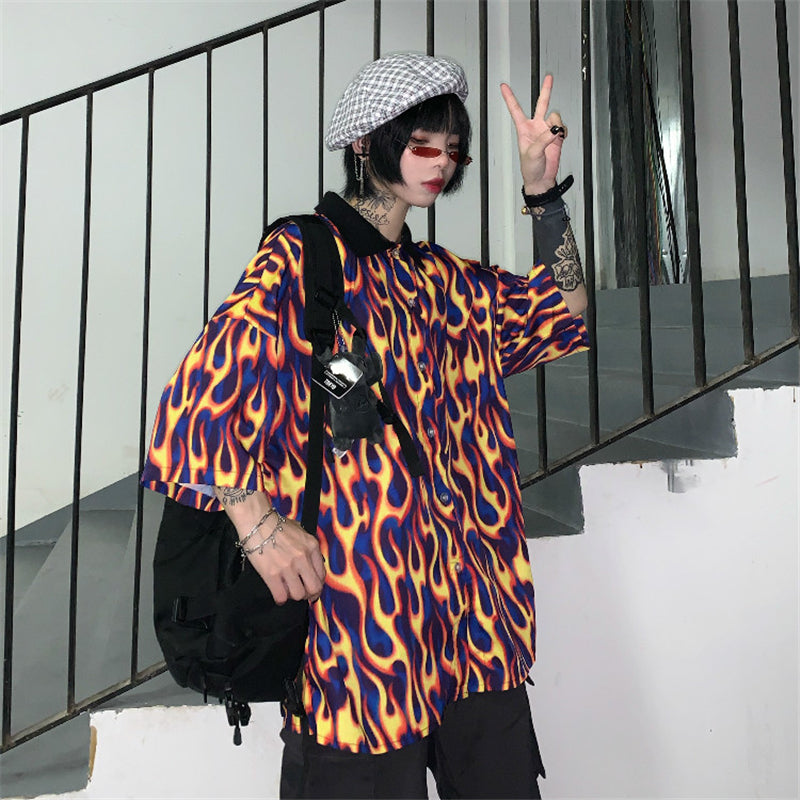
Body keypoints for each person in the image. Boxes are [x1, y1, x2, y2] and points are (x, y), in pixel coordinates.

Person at [142, 52, 588, 799]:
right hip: (361, 631)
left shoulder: (444, 278)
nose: (440, 163)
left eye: (453, 149)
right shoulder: (304, 257)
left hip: (474, 620)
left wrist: (543, 194)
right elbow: (197, 398)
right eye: (422, 144)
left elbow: (563, 314)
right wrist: (256, 523)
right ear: (363, 143)